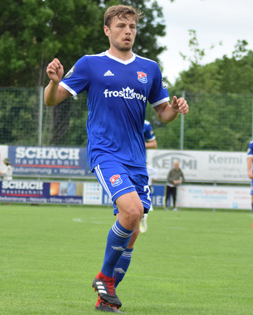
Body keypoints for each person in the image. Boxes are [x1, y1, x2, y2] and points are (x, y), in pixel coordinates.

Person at [43, 4, 189, 312]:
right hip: (105, 153)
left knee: (132, 230)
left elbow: (163, 114)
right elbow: (52, 100)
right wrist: (55, 81)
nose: (128, 32)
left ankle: (104, 299)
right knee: (132, 211)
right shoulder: (90, 64)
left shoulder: (149, 68)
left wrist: (175, 108)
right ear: (107, 30)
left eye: (132, 27)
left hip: (136, 158)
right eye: (121, 26)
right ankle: (104, 277)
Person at [140, 121, 157, 233]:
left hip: (138, 163)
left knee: (138, 193)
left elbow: (153, 144)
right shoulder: (119, 118)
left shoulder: (145, 124)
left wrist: (140, 143)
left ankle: (141, 215)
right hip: (120, 162)